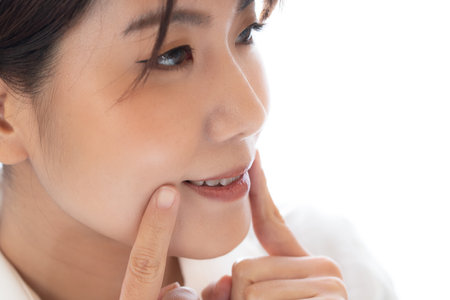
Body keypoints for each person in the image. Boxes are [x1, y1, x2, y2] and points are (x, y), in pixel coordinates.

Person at [0, 0, 396, 299]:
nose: (249, 113)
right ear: (6, 115)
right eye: (170, 56)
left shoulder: (329, 267)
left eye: (246, 33)